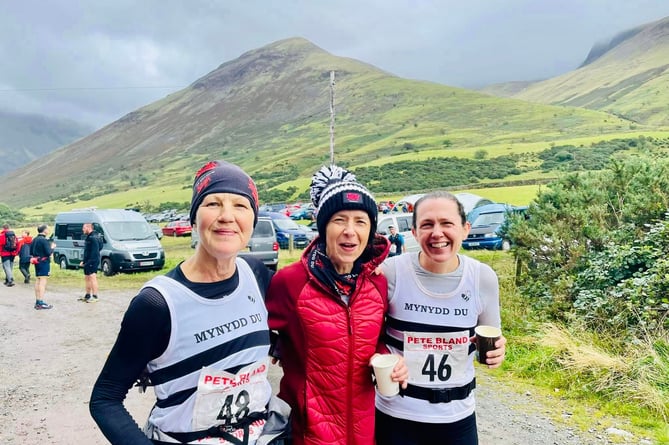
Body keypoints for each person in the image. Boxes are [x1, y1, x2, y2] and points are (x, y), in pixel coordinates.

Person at [90, 160, 290, 445]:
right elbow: (105, 399)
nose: (227, 216)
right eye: (213, 204)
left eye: (240, 206)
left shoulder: (257, 276)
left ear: (252, 221)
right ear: (194, 218)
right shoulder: (158, 304)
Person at [265, 164, 408, 445]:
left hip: (363, 431)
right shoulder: (290, 282)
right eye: (340, 220)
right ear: (323, 226)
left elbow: (375, 340)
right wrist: (277, 346)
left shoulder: (377, 283)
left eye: (360, 221)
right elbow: (252, 333)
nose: (350, 231)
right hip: (307, 433)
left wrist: (389, 361)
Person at [375, 191, 507, 445]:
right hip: (395, 417)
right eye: (427, 224)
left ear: (465, 229)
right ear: (413, 232)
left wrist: (498, 351)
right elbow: (366, 336)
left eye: (447, 223)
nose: (437, 233)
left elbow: (492, 339)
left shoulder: (483, 278)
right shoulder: (391, 273)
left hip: (457, 420)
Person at [31, 224, 55, 310]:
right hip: (44, 262)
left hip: (36, 261)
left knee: (38, 280)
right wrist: (52, 247)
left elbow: (31, 251)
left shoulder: (34, 239)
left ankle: (37, 301)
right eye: (47, 229)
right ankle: (41, 302)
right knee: (43, 282)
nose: (48, 230)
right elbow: (48, 252)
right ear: (44, 230)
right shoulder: (44, 240)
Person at [79, 223, 102, 303]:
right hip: (88, 261)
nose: (83, 229)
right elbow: (87, 251)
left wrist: (90, 261)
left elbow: (96, 251)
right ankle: (87, 295)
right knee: (87, 278)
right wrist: (84, 261)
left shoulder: (93, 237)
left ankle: (95, 296)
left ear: (89, 228)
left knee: (92, 277)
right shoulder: (89, 237)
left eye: (84, 228)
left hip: (92, 261)